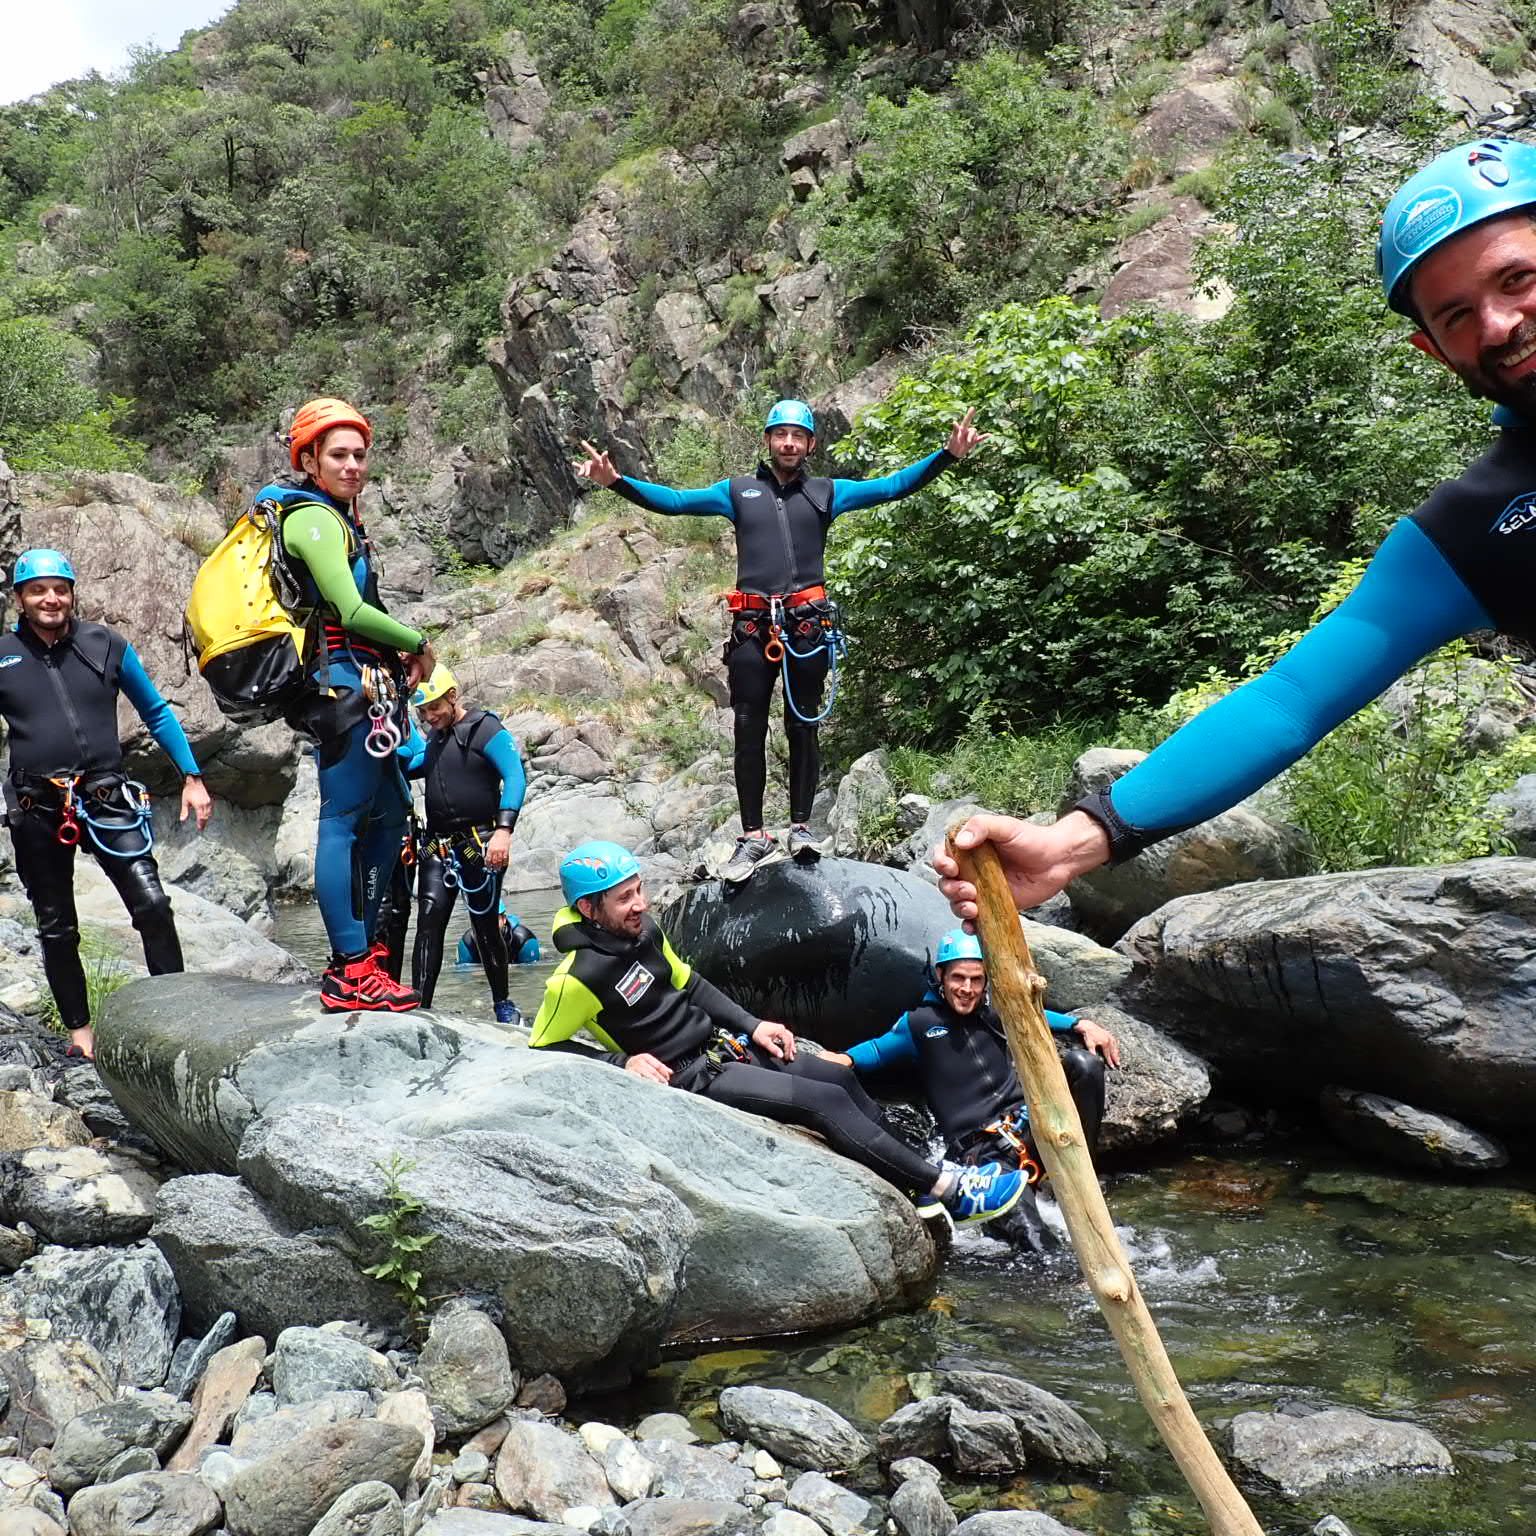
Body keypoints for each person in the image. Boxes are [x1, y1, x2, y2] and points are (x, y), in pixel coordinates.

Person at [936, 136, 1536, 923]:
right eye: (1457, 315)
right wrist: (1073, 843)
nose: (1497, 325)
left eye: (1518, 278)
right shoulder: (1467, 533)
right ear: (1430, 348)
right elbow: (1288, 700)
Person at [576, 401, 988, 882]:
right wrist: (617, 483)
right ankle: (753, 836)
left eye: (797, 435)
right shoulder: (736, 491)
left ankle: (801, 828)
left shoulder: (827, 492)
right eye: (780, 434)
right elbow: (674, 500)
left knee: (803, 726)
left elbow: (893, 486)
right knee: (748, 728)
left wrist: (947, 455)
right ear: (768, 441)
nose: (789, 443)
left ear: (811, 444)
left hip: (807, 625)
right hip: (753, 626)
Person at [530, 841, 1027, 1224]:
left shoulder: (646, 934)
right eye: (624, 899)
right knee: (821, 1104)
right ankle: (951, 1192)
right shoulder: (576, 978)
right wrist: (623, 1062)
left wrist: (754, 1024)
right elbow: (543, 1047)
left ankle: (912, 1179)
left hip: (723, 1048)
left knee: (839, 1079)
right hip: (690, 1077)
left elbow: (693, 985)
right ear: (590, 910)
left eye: (639, 890)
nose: (640, 904)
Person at [256, 397, 437, 1012]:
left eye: (360, 454)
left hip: (363, 681)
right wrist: (420, 645)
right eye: (339, 454)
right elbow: (352, 611)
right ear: (308, 460)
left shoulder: (339, 517)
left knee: (389, 814)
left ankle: (367, 952)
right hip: (338, 686)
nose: (354, 464)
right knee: (341, 820)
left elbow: (365, 613)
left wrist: (395, 656)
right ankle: (350, 967)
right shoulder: (313, 520)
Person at [1, 548, 213, 1057]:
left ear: (72, 593)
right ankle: (81, 1034)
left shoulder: (105, 644)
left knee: (154, 905)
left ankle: (173, 1014)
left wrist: (193, 776)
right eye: (38, 590)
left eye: (60, 588)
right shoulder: (3, 655)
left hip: (105, 794)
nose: (51, 598)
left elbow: (156, 712)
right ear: (20, 598)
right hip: (36, 804)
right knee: (57, 925)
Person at [822, 929, 1119, 1252]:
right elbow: (878, 1051)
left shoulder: (994, 1013)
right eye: (958, 978)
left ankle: (1078, 1176)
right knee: (1040, 1247)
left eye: (976, 979)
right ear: (940, 976)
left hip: (1030, 1131)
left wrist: (1079, 1024)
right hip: (984, 1160)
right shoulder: (920, 1023)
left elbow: (1034, 1015)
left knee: (1085, 1066)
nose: (967, 989)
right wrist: (843, 1058)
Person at [401, 664, 527, 1023]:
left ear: (452, 697)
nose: (429, 717)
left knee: (485, 925)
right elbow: (413, 763)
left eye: (434, 708)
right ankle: (419, 1006)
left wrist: (504, 831)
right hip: (438, 849)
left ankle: (503, 1003)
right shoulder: (436, 739)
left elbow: (515, 776)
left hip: (480, 845)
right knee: (428, 923)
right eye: (423, 712)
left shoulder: (485, 728)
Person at [457, 902, 541, 967]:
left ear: (504, 919)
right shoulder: (468, 941)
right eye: (482, 918)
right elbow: (465, 974)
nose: (488, 924)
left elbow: (530, 973)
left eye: (493, 918)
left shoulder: (523, 940)